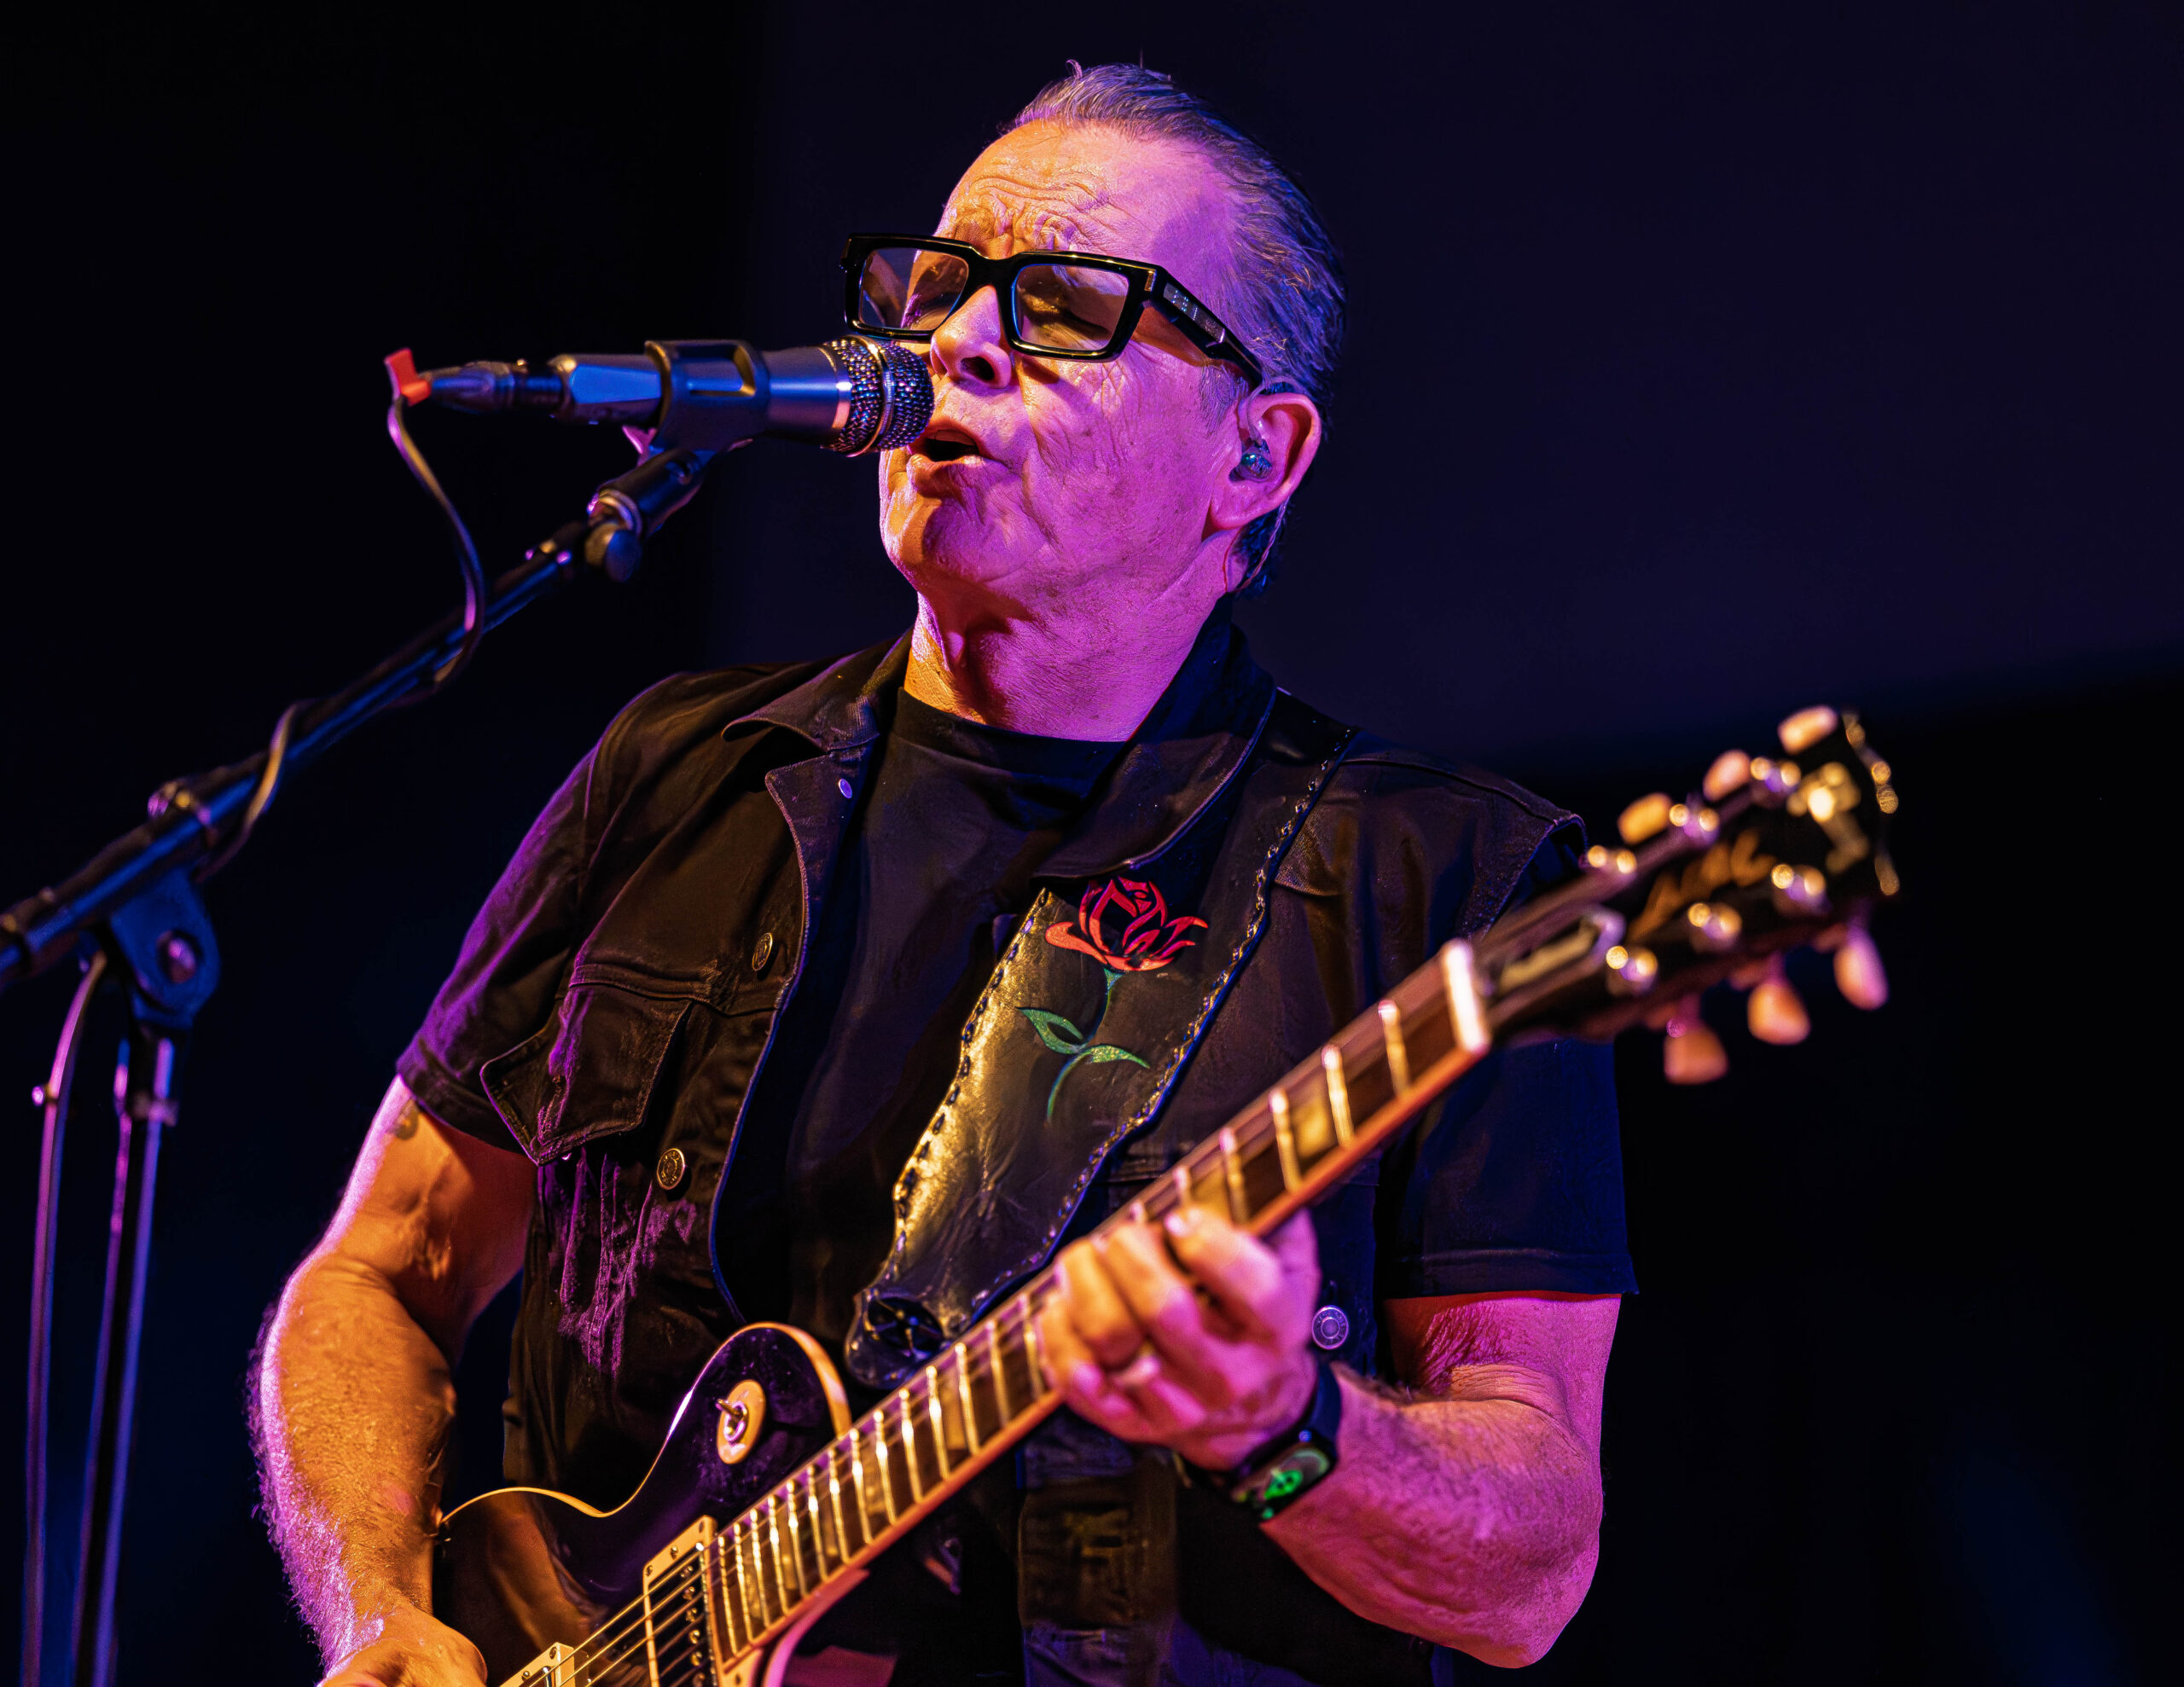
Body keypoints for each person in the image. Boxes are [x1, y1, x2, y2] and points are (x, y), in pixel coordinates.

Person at [253, 64, 1634, 1687]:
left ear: (1254, 457)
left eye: (1067, 306)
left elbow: (1529, 1572)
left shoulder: (1444, 885)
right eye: (937, 286)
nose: (958, 340)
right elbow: (381, 1267)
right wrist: (378, 1608)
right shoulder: (680, 772)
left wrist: (1287, 1426)